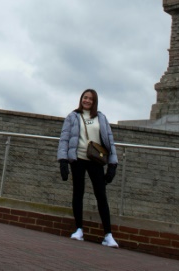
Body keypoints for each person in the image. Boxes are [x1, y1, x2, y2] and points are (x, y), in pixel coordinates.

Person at [57, 89, 119, 248]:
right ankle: (78, 229)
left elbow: (109, 141)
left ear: (94, 101)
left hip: (95, 160)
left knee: (101, 195)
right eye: (85, 97)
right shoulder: (72, 116)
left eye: (90, 99)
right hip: (78, 158)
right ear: (81, 99)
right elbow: (64, 139)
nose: (87, 100)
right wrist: (63, 160)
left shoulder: (101, 117)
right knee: (78, 192)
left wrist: (113, 164)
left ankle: (108, 235)